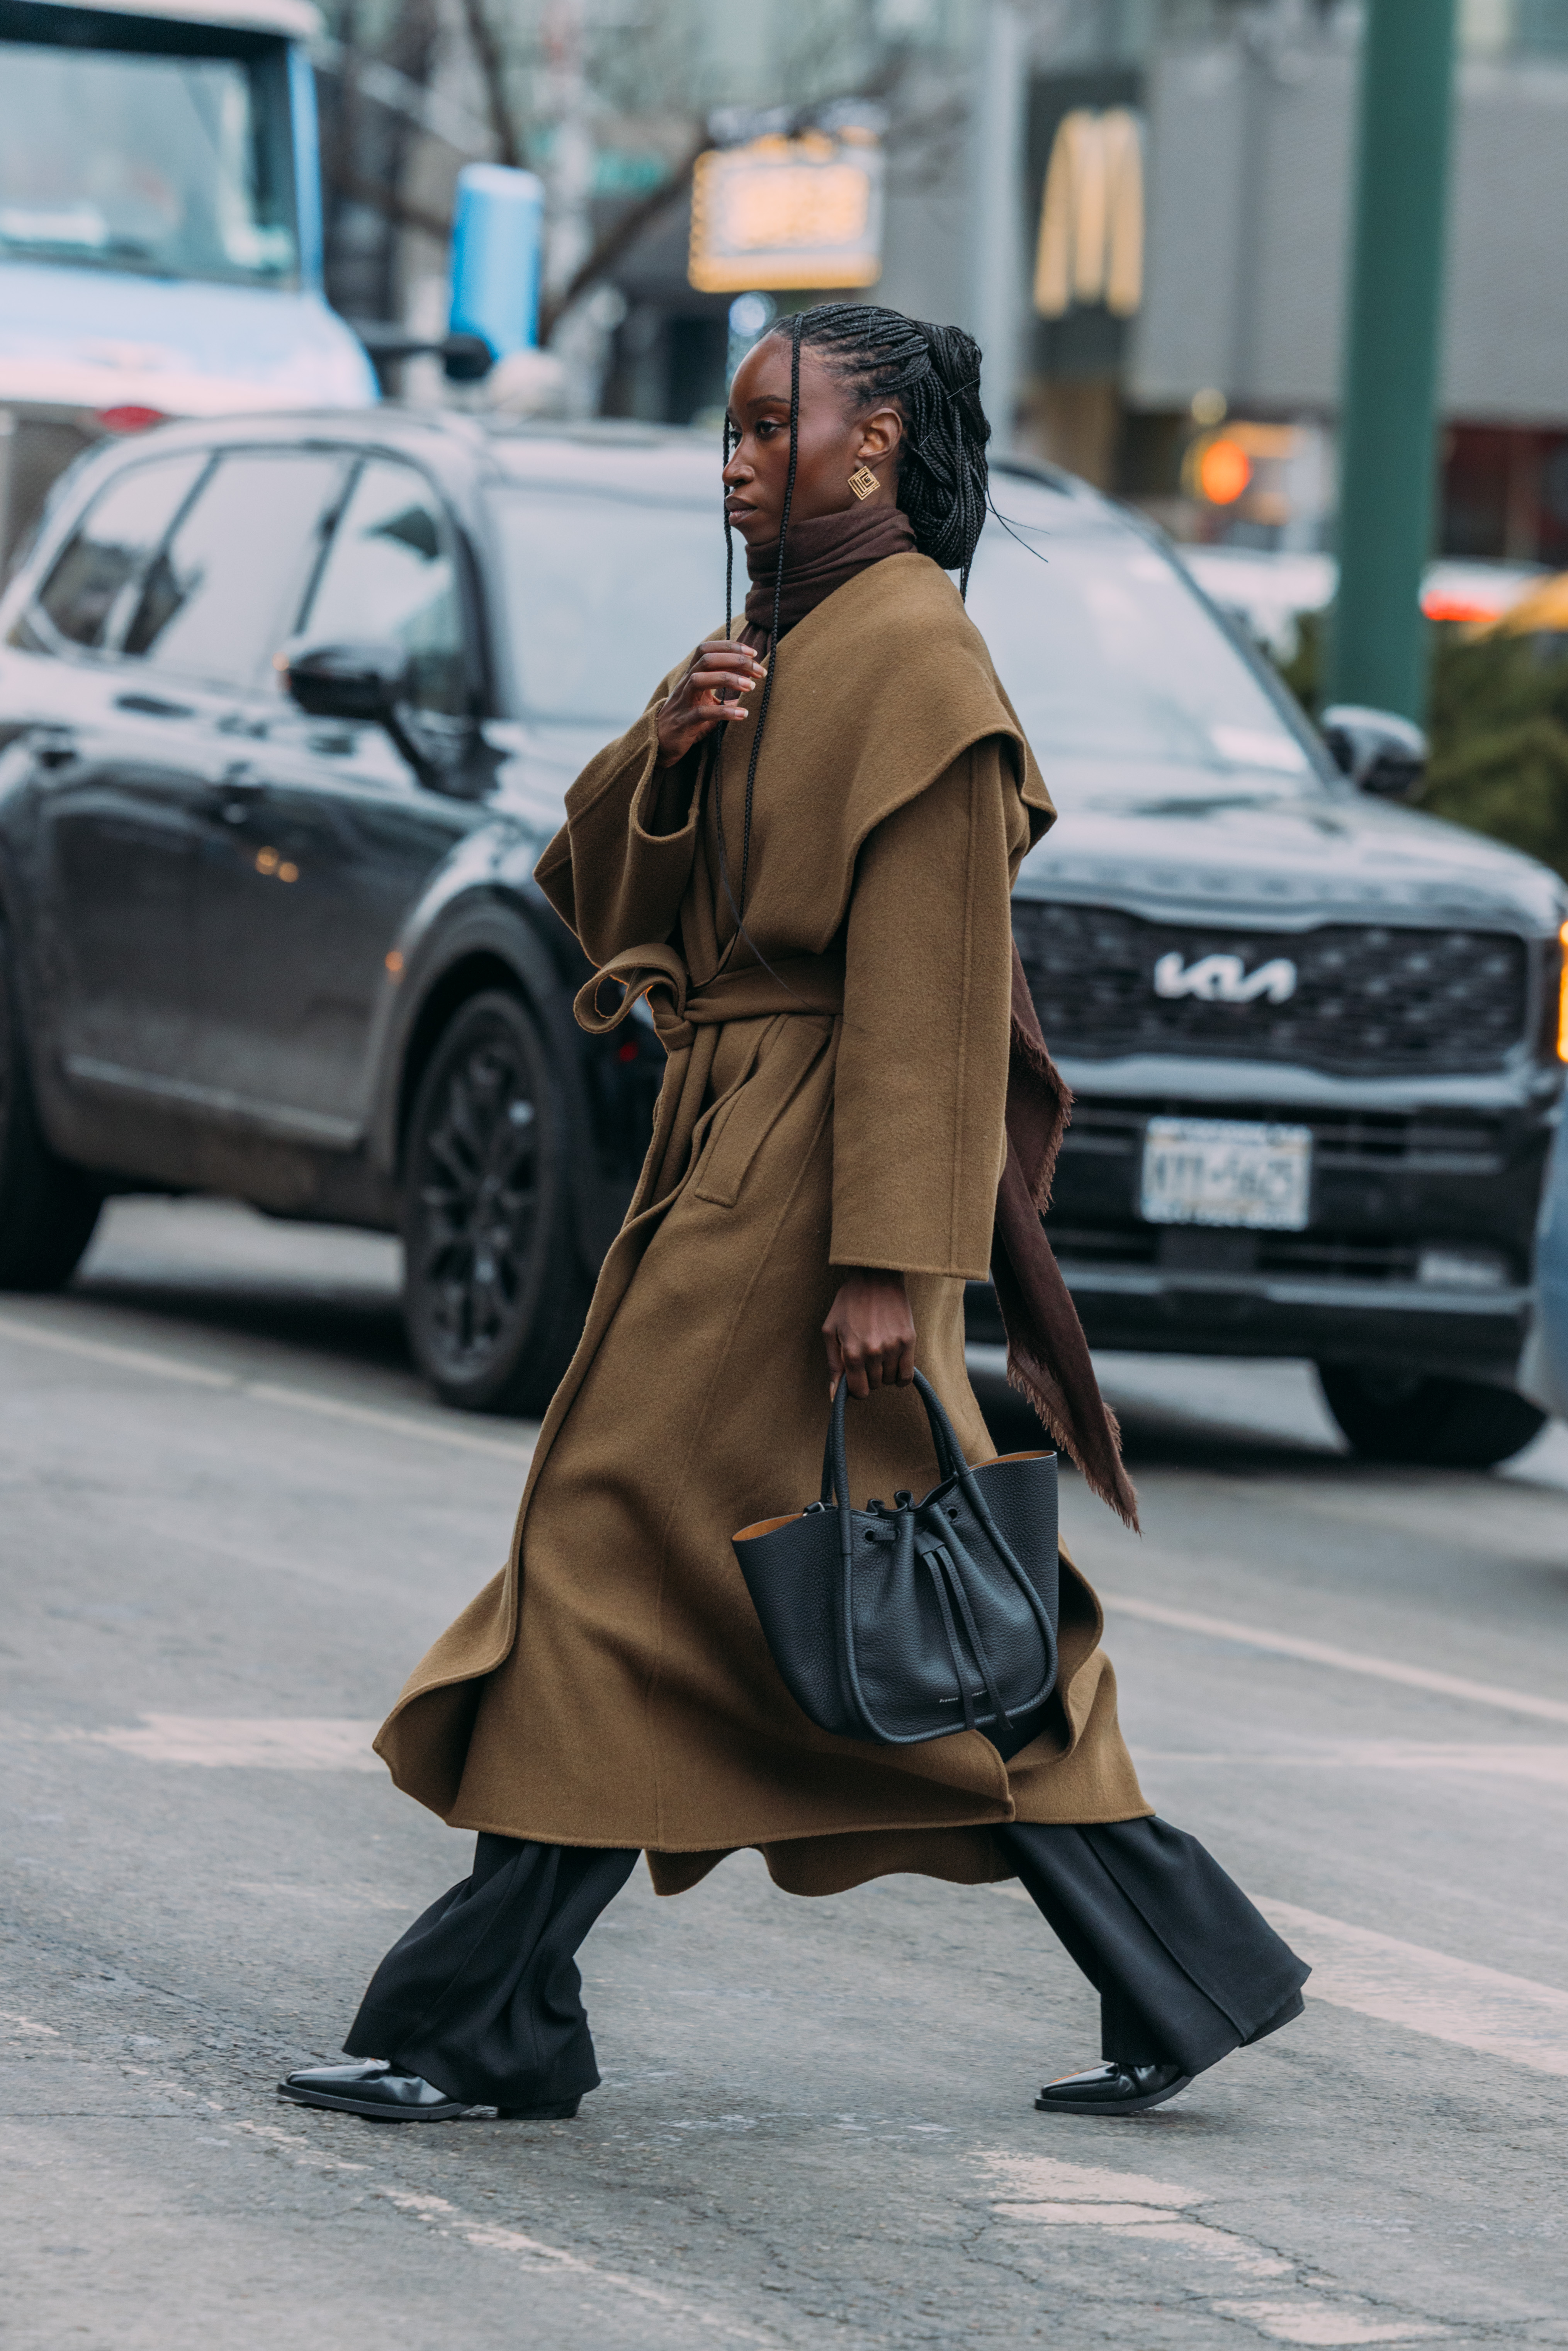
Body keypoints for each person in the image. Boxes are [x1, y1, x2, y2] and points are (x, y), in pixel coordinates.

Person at [280, 304, 1307, 2127]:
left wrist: (884, 1270)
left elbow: (934, 993)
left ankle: (476, 2017)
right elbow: (606, 899)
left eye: (773, 426)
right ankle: (1182, 1962)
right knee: (894, 1611)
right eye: (731, 430)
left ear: (875, 443)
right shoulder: (775, 642)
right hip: (738, 1140)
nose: (737, 456)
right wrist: (675, 739)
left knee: (613, 1547)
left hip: (811, 1180)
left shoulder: (917, 662)